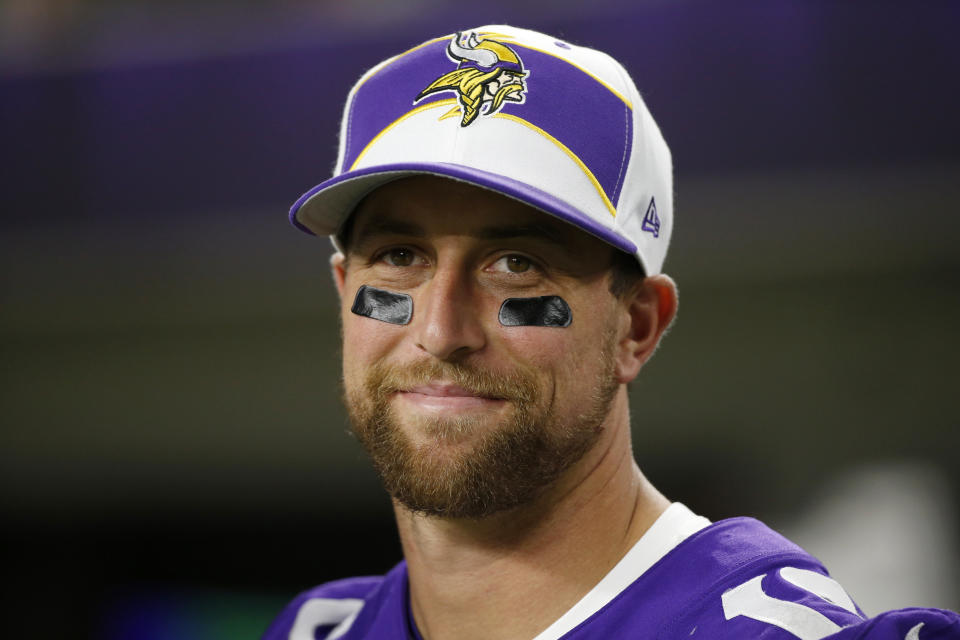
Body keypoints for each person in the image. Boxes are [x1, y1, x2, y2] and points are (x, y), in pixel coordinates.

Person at [263, 25, 960, 640]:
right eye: (399, 257)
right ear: (343, 291)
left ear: (637, 327)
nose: (442, 329)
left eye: (517, 265)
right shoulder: (318, 629)